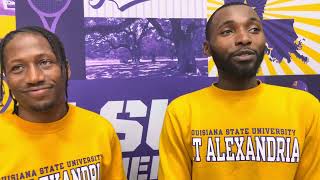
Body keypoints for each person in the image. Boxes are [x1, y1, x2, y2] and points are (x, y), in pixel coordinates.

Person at [158, 2, 319, 180]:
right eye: (227, 31)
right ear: (207, 48)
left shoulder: (305, 107)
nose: (244, 38)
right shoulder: (181, 112)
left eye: (254, 29)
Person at [0, 26, 126, 179]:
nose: (34, 78)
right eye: (17, 67)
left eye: (44, 62)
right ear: (7, 79)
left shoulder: (100, 130)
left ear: (66, 69)